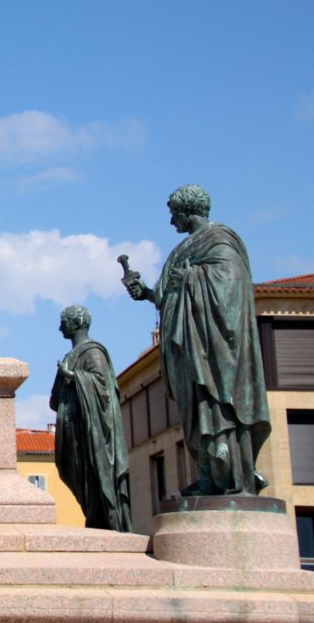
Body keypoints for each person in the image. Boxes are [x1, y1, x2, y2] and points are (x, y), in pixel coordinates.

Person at [124, 184, 271, 495]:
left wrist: (189, 279)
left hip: (216, 349)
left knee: (218, 406)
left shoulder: (220, 239)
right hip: (192, 348)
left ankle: (234, 476)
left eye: (173, 214)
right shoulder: (186, 248)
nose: (171, 222)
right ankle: (211, 476)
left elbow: (229, 287)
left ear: (186, 210)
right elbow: (172, 296)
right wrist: (150, 294)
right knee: (197, 412)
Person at [50, 305, 132, 531]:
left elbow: (102, 387)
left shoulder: (93, 352)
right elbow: (54, 400)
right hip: (74, 429)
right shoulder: (70, 355)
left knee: (93, 475)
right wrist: (63, 378)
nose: (60, 328)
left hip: (90, 431)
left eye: (63, 322)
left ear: (76, 322)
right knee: (74, 472)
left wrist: (72, 376)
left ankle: (106, 520)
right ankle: (95, 517)